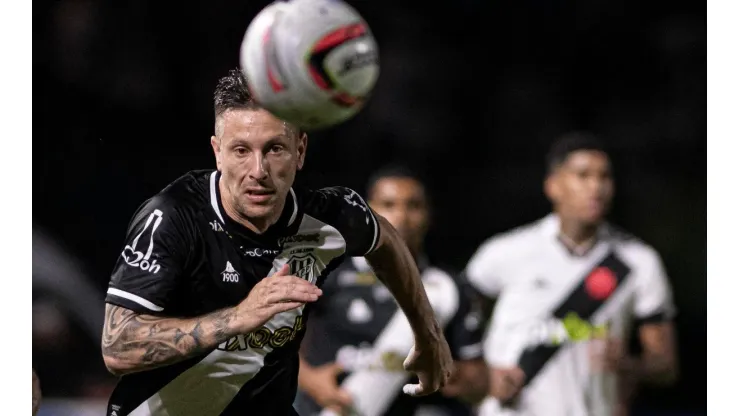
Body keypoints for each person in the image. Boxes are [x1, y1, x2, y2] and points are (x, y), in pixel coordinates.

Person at [100, 69, 453, 416]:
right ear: (217, 152)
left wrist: (427, 335)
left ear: (300, 150)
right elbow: (117, 347)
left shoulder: (327, 218)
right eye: (241, 150)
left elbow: (385, 239)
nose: (258, 170)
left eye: (274, 149)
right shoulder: (173, 218)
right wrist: (239, 317)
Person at [466, 133, 679, 416]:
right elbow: (447, 332)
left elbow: (666, 366)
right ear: (553, 186)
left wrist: (630, 365)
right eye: (583, 175)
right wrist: (483, 374)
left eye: (604, 177)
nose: (596, 187)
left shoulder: (637, 262)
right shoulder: (504, 253)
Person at [294, 166, 489, 416]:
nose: (401, 216)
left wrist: (450, 373)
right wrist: (311, 381)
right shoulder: (327, 272)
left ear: (429, 214)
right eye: (388, 204)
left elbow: (479, 382)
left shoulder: (447, 287)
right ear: (367, 212)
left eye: (413, 206)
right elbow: (275, 344)